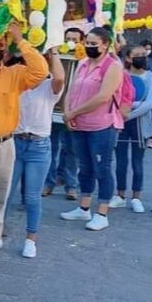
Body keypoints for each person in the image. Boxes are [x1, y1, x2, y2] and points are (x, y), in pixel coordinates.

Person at [0, 21, 49, 270]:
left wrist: (20, 40)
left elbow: (40, 71)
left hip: (2, 146)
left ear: (6, 50)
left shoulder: (16, 74)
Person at [60, 26, 125, 231]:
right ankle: (84, 206)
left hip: (102, 126)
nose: (89, 46)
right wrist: (68, 111)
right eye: (86, 43)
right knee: (84, 167)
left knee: (102, 168)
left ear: (105, 45)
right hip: (80, 124)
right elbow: (71, 89)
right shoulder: (82, 64)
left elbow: (103, 96)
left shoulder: (112, 67)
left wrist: (74, 112)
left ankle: (102, 212)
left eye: (93, 44)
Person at [10, 47, 65, 258]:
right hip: (15, 141)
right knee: (4, 193)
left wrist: (54, 53)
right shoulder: (17, 82)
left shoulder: (48, 85)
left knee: (32, 196)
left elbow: (60, 77)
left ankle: (31, 239)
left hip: (38, 146)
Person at [110, 44, 152, 213]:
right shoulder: (121, 75)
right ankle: (120, 195)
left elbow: (149, 104)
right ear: (128, 58)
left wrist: (127, 112)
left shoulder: (150, 77)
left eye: (144, 54)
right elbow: (116, 97)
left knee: (138, 162)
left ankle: (136, 197)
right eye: (137, 55)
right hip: (121, 124)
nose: (141, 57)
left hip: (139, 124)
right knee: (120, 161)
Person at [44, 28, 87, 199]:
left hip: (73, 111)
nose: (71, 42)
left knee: (72, 151)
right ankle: (48, 183)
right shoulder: (54, 58)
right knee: (50, 149)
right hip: (53, 110)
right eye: (68, 38)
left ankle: (71, 186)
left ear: (81, 42)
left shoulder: (85, 62)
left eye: (75, 39)